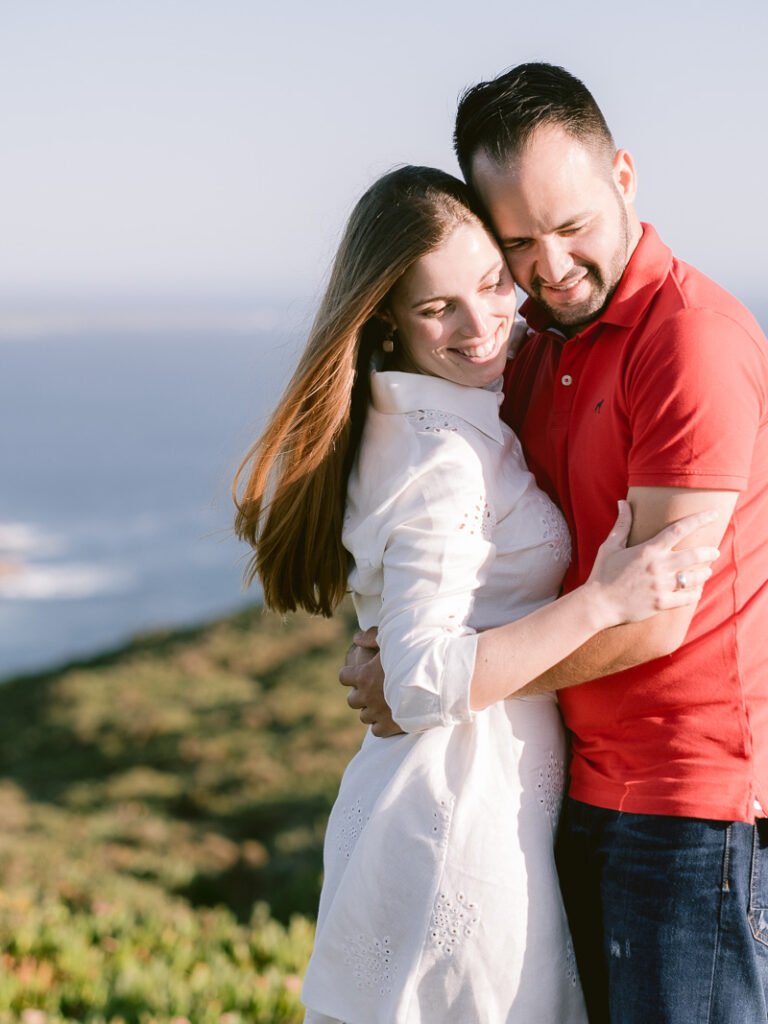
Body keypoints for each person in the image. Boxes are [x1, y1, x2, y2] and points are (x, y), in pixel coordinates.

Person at [233, 165, 717, 1024]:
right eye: (436, 308)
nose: (484, 322)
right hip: (458, 818)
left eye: (493, 282)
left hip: (468, 801)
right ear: (386, 316)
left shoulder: (436, 415)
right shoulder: (442, 463)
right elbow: (418, 680)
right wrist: (604, 602)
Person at [342, 65, 768, 1023]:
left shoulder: (688, 341)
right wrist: (408, 650)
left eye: (571, 225)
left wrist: (435, 685)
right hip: (573, 789)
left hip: (688, 806)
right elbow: (449, 532)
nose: (551, 264)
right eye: (519, 244)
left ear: (624, 174)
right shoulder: (534, 348)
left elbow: (657, 618)